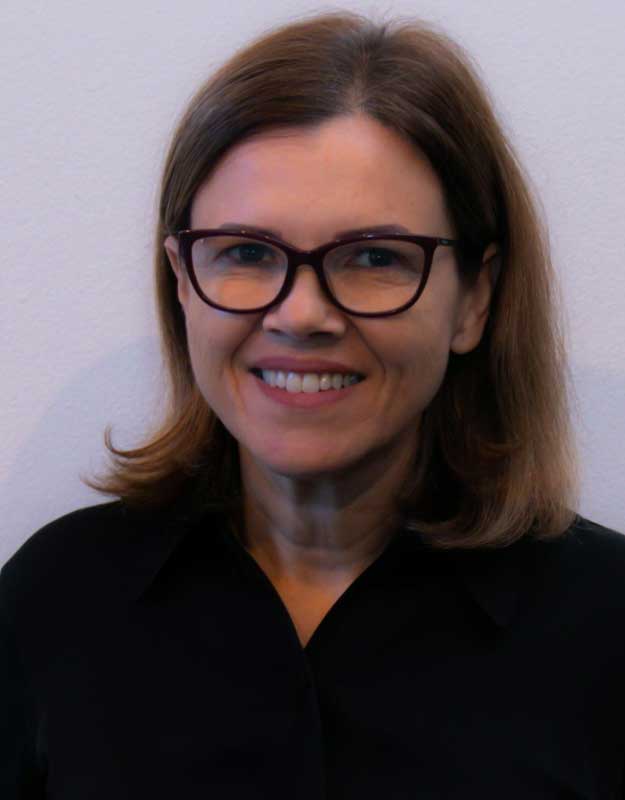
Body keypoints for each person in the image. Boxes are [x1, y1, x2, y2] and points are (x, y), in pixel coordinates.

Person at [2, 11, 624, 799]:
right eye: (245, 252)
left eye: (373, 257)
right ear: (182, 281)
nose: (299, 315)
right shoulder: (57, 601)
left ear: (475, 298)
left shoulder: (607, 629)